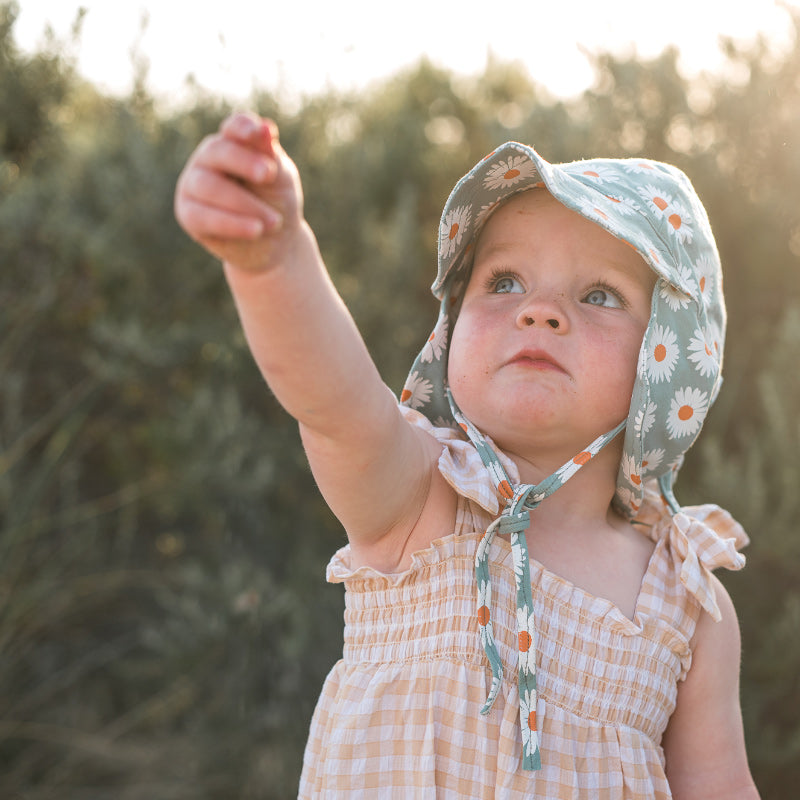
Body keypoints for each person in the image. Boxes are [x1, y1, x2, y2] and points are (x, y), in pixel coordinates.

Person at [175, 112, 760, 799]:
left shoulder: (685, 602)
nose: (539, 311)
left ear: (668, 361)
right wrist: (276, 260)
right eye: (504, 281)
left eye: (599, 295)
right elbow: (330, 401)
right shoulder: (420, 495)